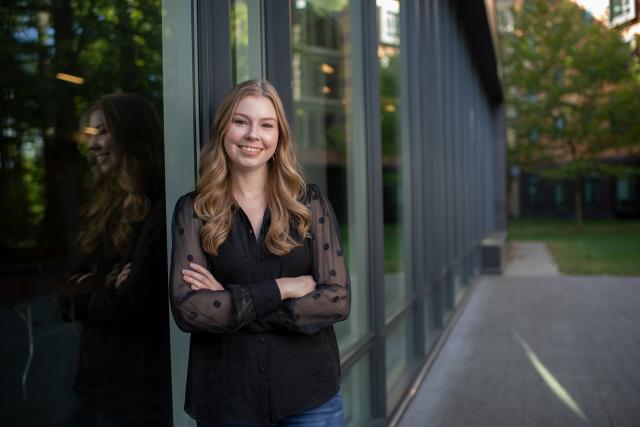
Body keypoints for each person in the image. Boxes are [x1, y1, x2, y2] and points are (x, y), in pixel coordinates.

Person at [170, 79, 351, 426]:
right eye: (241, 121)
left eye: (266, 125)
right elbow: (190, 312)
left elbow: (337, 300)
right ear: (224, 129)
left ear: (278, 137)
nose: (253, 134)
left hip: (310, 398)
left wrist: (230, 303)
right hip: (228, 398)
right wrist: (283, 290)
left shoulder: (308, 203)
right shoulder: (194, 210)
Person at [62, 93, 171, 426]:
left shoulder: (162, 205)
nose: (93, 145)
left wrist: (95, 290)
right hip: (91, 383)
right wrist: (108, 286)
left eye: (104, 131)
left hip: (138, 391)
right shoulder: (101, 205)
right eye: (92, 134)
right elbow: (64, 297)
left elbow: (136, 305)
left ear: (133, 133)